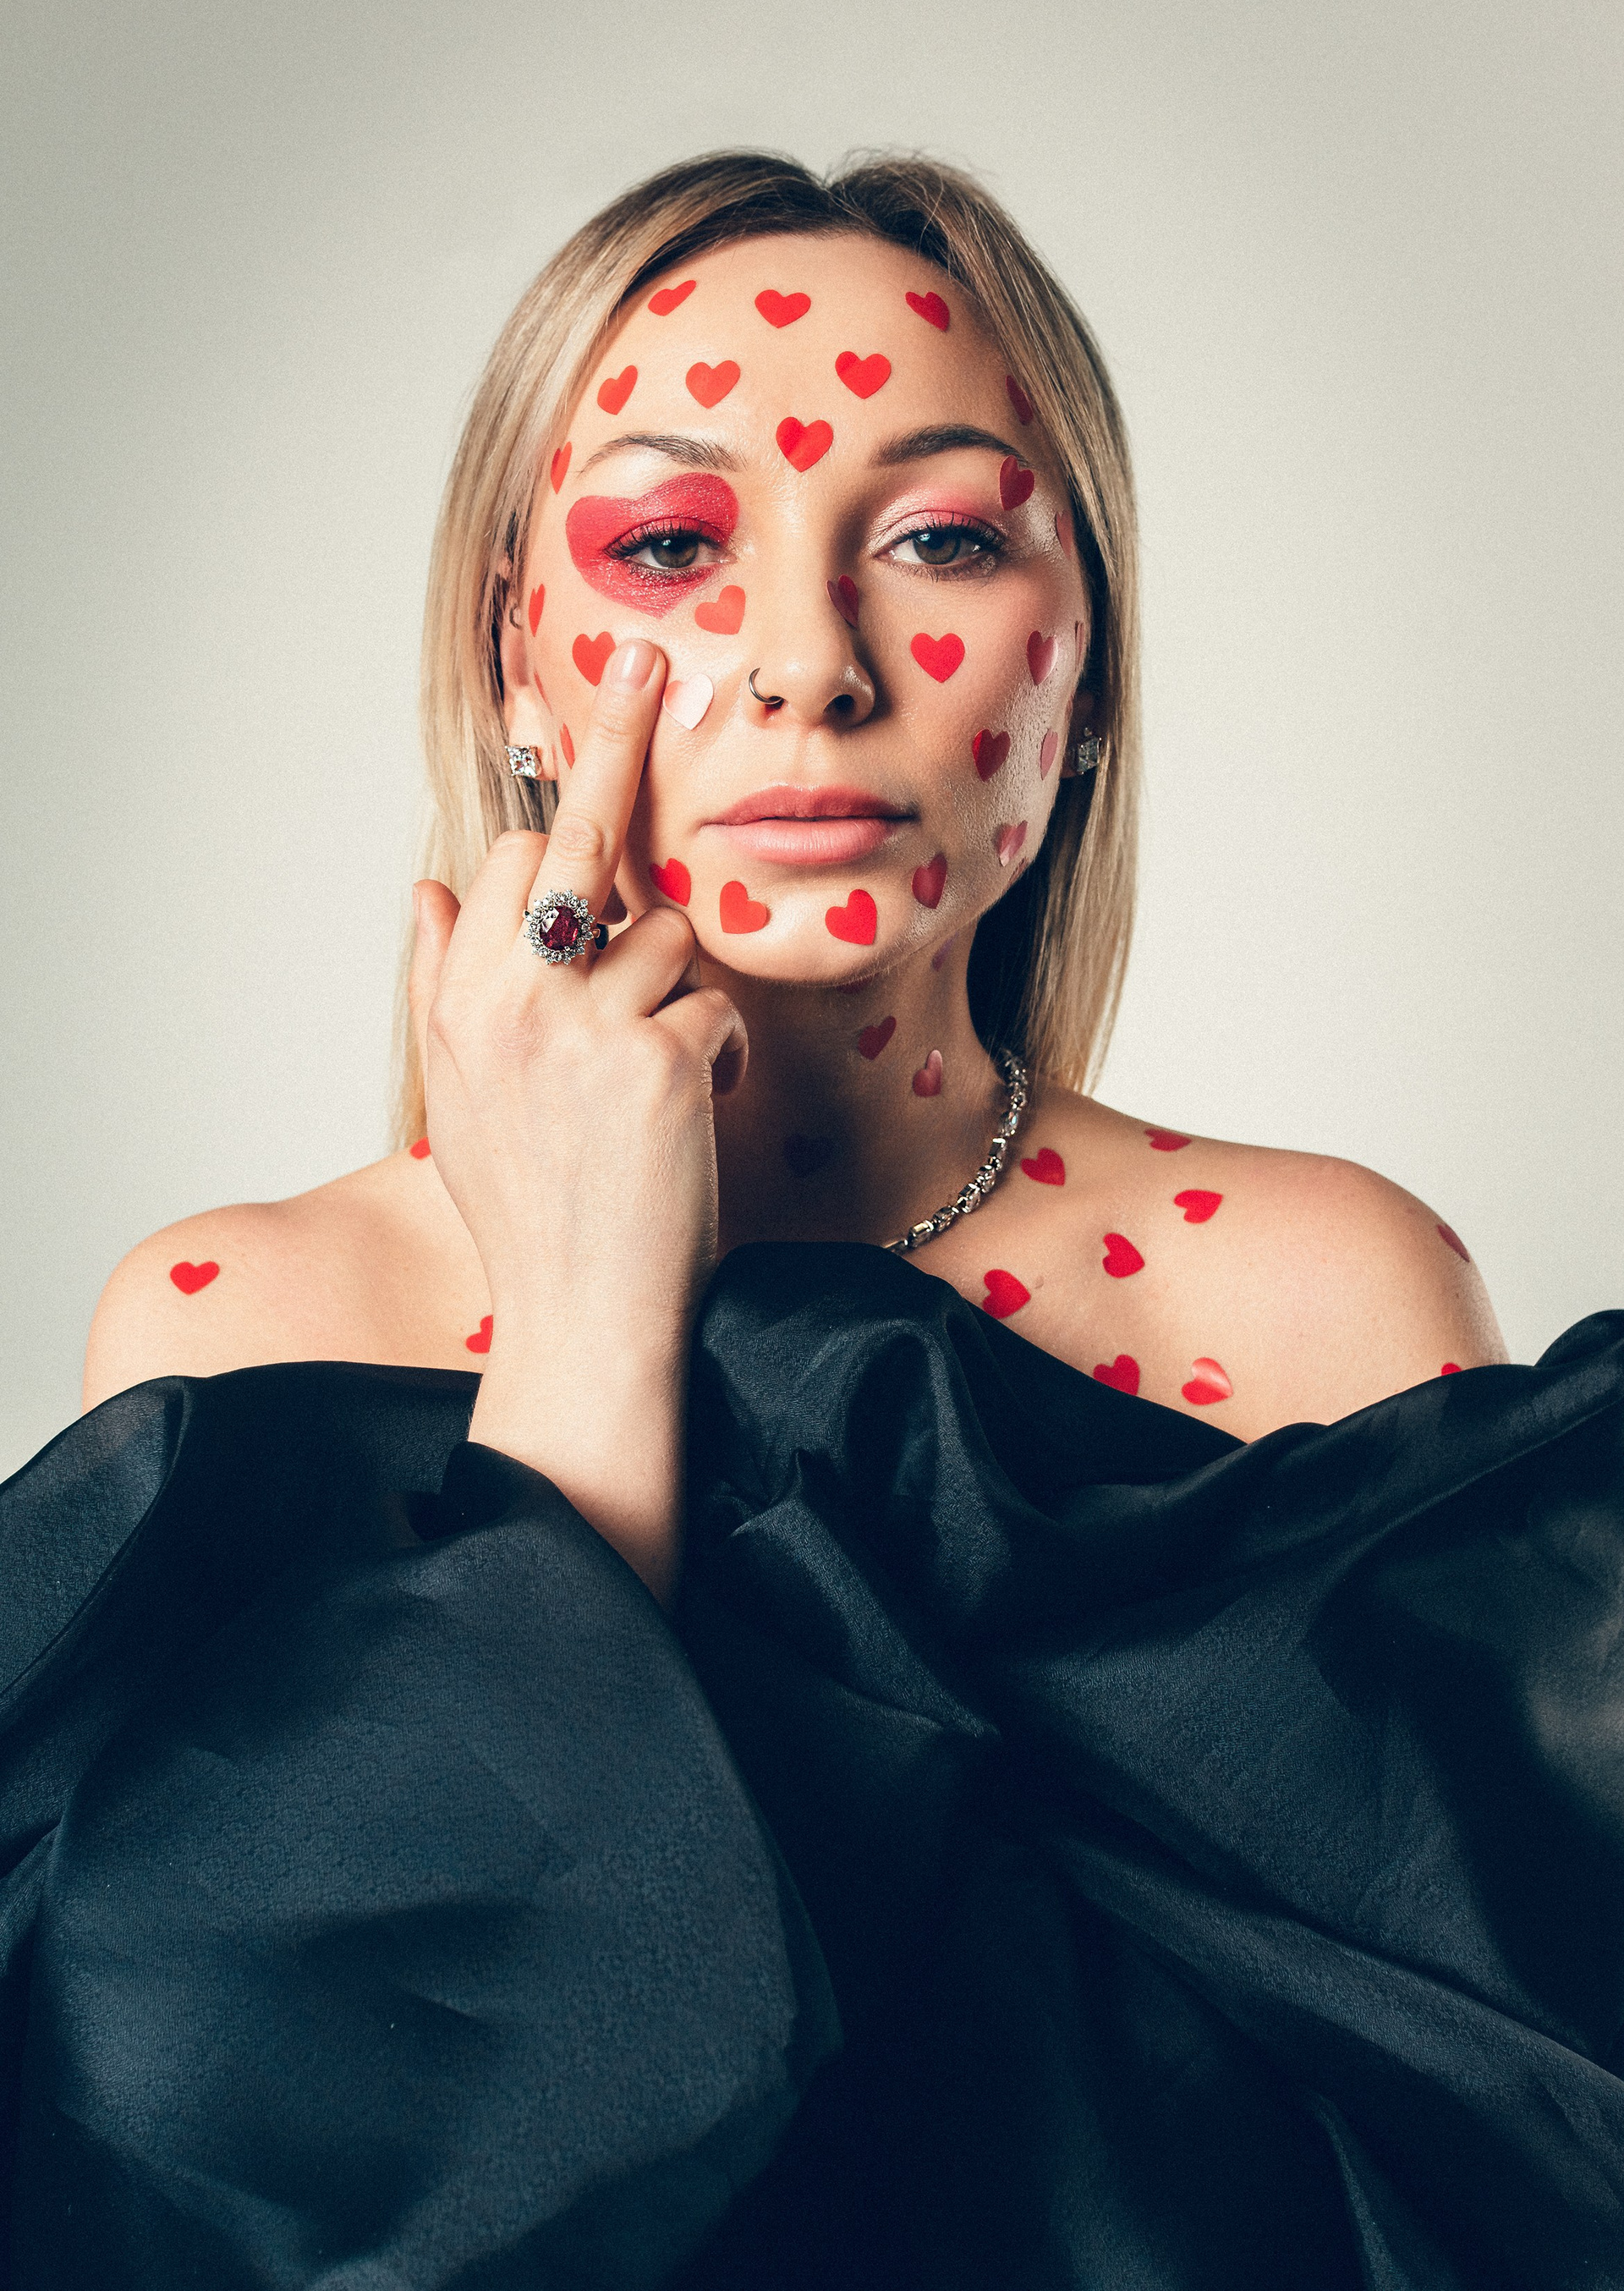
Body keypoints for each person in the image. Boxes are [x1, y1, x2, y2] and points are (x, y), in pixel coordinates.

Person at [4, 153, 1621, 2288]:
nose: (803, 662)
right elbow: (266, 2189)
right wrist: (583, 1327)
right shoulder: (246, 1325)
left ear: (1086, 669)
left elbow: (1515, 2160)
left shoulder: (1331, 1298)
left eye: (940, 539)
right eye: (672, 547)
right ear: (514, 661)